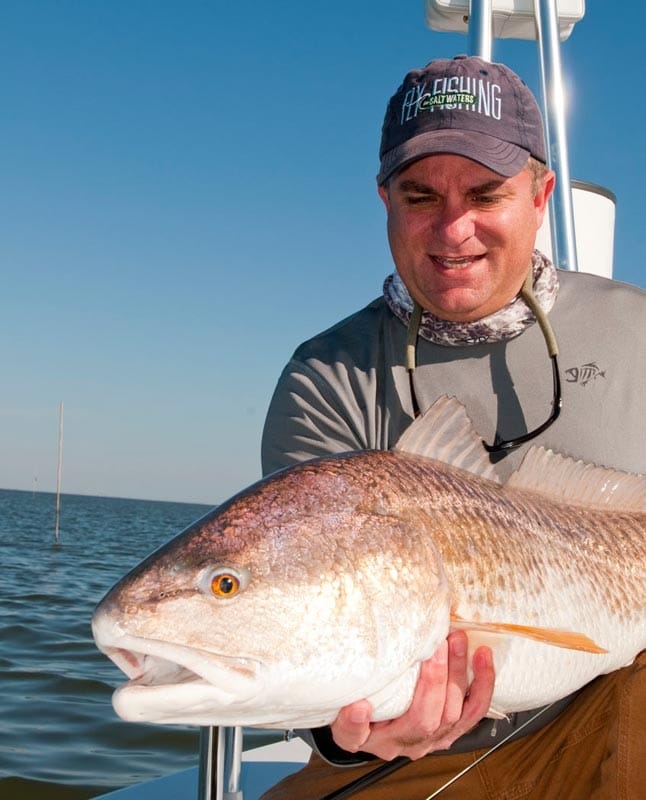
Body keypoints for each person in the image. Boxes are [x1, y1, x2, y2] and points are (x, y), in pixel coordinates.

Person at [259, 55, 646, 799]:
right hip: (413, 761)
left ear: (541, 196)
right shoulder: (326, 377)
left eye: (486, 192)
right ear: (384, 200)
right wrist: (343, 740)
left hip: (613, 718)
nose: (453, 227)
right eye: (419, 194)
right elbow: (306, 636)